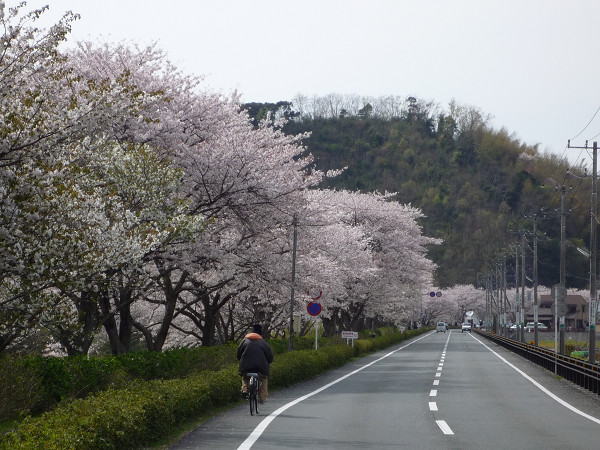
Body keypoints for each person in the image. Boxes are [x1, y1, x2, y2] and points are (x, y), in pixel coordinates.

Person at [237, 324, 274, 403]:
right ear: (260, 334)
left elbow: (238, 354)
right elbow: (270, 357)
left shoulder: (244, 341)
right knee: (263, 379)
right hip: (260, 369)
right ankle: (262, 398)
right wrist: (269, 362)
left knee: (245, 378)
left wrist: (241, 360)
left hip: (246, 367)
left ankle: (245, 389)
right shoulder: (263, 343)